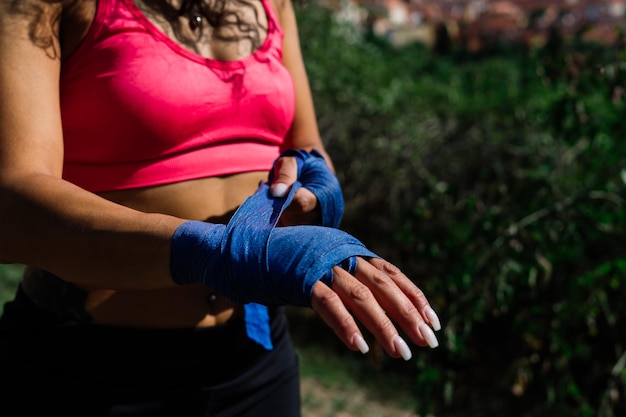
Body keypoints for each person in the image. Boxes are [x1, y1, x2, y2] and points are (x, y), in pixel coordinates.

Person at [0, 0, 442, 416]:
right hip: (88, 370)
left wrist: (316, 189)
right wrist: (210, 252)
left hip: (256, 360)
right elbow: (11, 207)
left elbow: (305, 145)